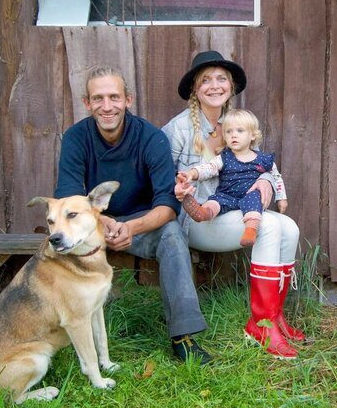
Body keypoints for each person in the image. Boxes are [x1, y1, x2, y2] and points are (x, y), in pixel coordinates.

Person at [54, 66, 212, 364]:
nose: (107, 106)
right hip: (91, 224)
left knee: (173, 234)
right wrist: (104, 222)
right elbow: (69, 199)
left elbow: (167, 205)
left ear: (128, 99)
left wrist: (132, 228)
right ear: (87, 103)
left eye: (114, 97)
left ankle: (183, 336)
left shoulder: (151, 138)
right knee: (55, 239)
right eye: (98, 98)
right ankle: (56, 331)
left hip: (142, 224)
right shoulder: (75, 138)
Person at [163, 50, 304, 360]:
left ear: (231, 86)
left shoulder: (235, 123)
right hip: (198, 217)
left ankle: (275, 317)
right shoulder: (179, 129)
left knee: (290, 227)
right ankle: (261, 326)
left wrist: (267, 182)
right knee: (267, 226)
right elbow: (160, 177)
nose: (215, 86)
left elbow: (257, 166)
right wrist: (179, 186)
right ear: (194, 89)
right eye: (206, 80)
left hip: (234, 211)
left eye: (222, 79)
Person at [178, 109, 288, 248]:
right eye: (229, 132)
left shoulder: (264, 159)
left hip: (249, 195)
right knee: (215, 200)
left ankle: (250, 230)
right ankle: (202, 213)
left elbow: (276, 177)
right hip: (227, 195)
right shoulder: (224, 157)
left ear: (253, 135)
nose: (233, 135)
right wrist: (191, 173)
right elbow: (208, 169)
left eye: (240, 131)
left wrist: (281, 198)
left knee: (255, 198)